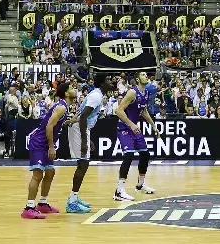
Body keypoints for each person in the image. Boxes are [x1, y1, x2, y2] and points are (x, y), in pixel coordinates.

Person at [23, 82, 77, 219]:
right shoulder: (61, 107)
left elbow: (56, 123)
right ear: (65, 93)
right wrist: (52, 146)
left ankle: (42, 203)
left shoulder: (65, 107)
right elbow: (48, 127)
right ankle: (29, 207)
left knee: (50, 172)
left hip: (45, 143)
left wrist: (70, 121)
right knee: (38, 174)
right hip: (40, 143)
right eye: (71, 88)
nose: (75, 89)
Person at [66, 73, 116, 213]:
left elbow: (84, 118)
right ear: (101, 83)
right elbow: (82, 118)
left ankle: (74, 198)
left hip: (82, 128)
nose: (110, 81)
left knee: (83, 164)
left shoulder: (97, 94)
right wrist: (84, 141)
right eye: (108, 79)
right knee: (83, 164)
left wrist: (88, 139)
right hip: (79, 128)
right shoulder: (96, 96)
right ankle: (72, 201)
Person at [114, 72, 161, 201]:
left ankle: (140, 184)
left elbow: (143, 111)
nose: (146, 76)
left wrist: (154, 126)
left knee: (145, 154)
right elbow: (118, 111)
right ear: (137, 79)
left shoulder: (145, 93)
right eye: (143, 75)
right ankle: (119, 191)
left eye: (147, 75)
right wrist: (131, 124)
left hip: (134, 129)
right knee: (129, 155)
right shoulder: (132, 93)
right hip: (124, 128)